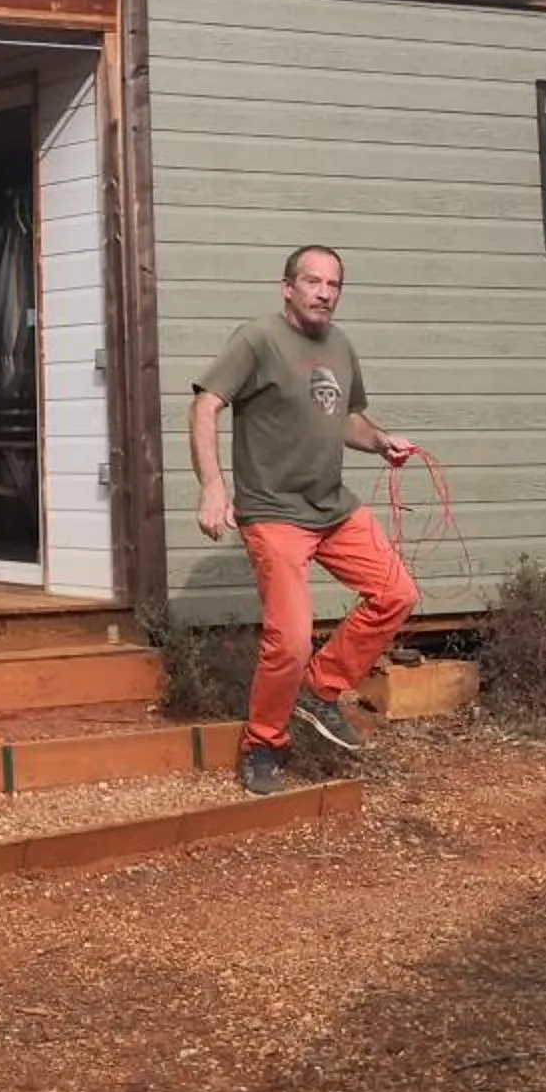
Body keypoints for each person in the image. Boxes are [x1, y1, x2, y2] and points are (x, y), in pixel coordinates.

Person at [190, 245, 420, 795]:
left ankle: (320, 690)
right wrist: (213, 486)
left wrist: (381, 441)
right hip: (274, 514)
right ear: (287, 287)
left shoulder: (340, 346)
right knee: (290, 641)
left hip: (332, 507)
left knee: (396, 594)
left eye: (333, 285)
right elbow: (205, 404)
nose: (323, 293)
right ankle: (264, 746)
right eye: (312, 281)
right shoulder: (258, 339)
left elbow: (346, 419)